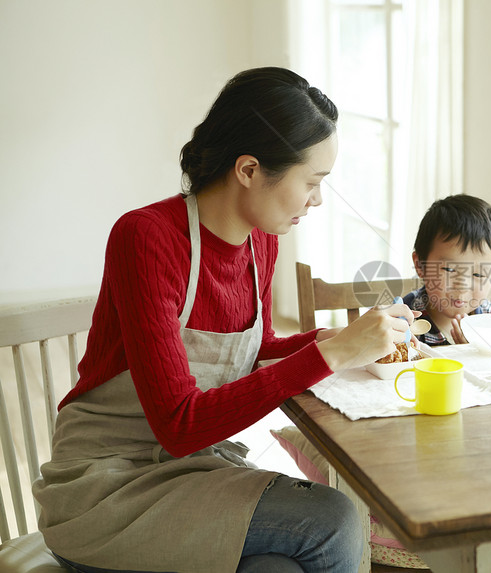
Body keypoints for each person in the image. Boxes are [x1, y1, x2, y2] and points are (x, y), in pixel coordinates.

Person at [32, 67, 420, 573]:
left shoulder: (263, 241)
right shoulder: (145, 238)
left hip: (189, 473)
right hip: (108, 489)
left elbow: (253, 348)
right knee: (334, 518)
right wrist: (334, 353)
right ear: (249, 170)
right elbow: (179, 424)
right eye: (312, 181)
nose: (318, 199)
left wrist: (337, 338)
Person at [402, 194, 491, 345]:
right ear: (420, 265)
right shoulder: (405, 320)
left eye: (479, 274)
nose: (462, 286)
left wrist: (477, 352)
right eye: (449, 269)